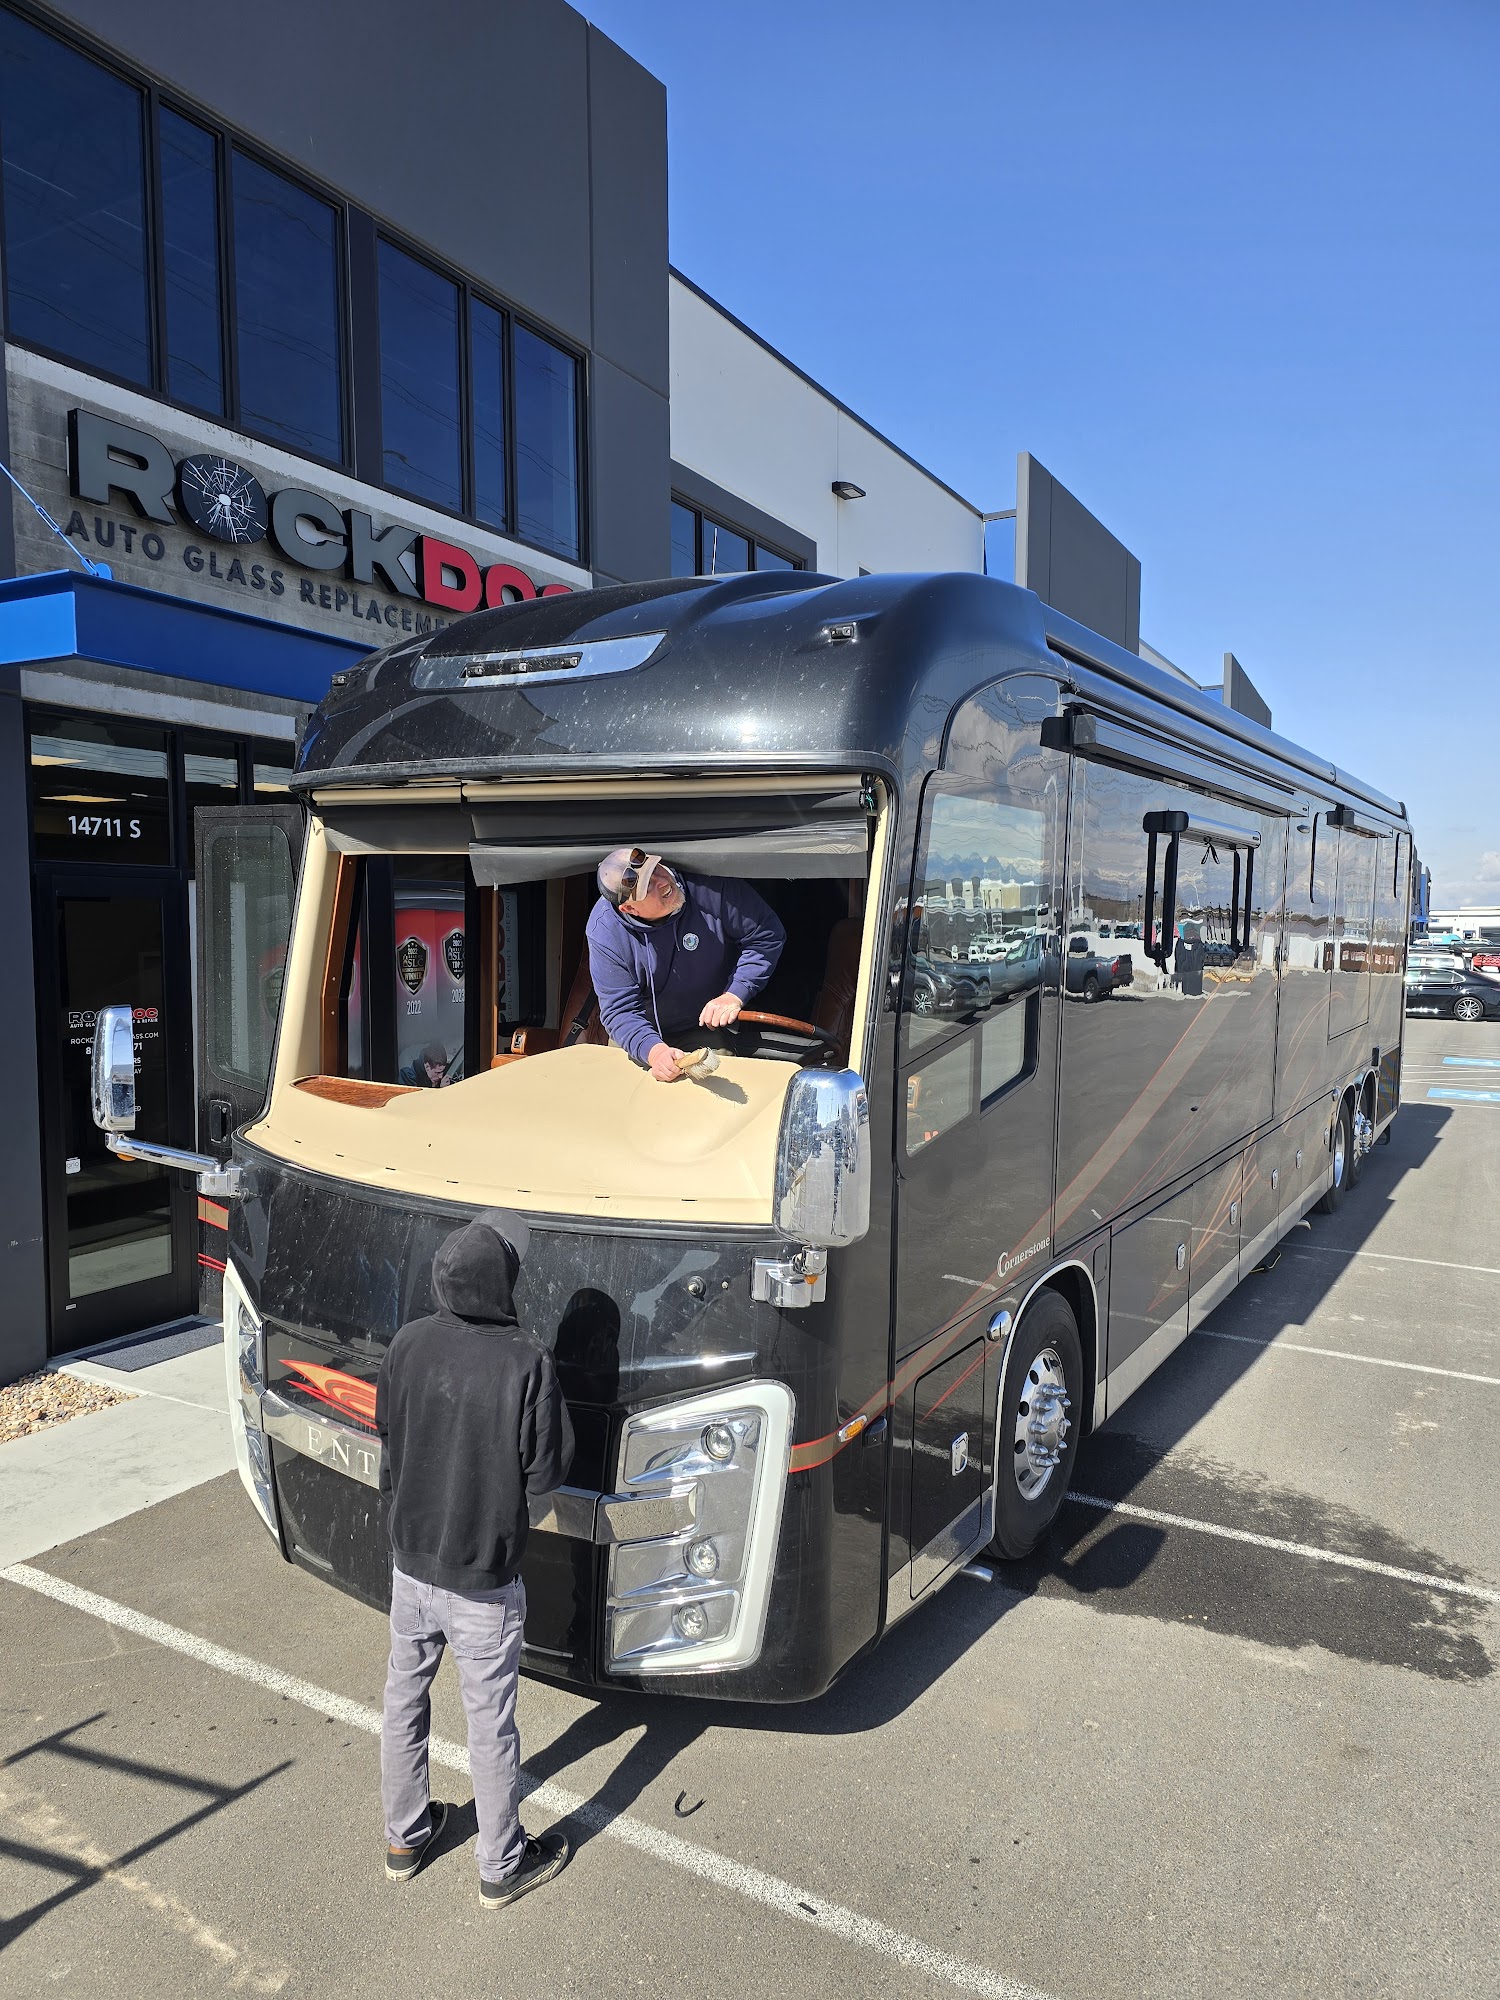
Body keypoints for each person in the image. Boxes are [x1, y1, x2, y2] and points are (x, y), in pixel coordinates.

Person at [375, 1209, 573, 1909]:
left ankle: (404, 1838)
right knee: (489, 1723)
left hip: (410, 1563)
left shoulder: (406, 1342)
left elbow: (388, 1434)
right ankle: (500, 1865)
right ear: (504, 1281)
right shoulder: (527, 1360)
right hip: (483, 1578)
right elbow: (546, 1471)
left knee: (404, 1697)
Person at [586, 847, 786, 1082]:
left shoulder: (712, 887)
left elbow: (766, 934)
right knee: (623, 1089)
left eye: (655, 869)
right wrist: (655, 1052)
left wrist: (735, 993)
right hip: (639, 1032)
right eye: (647, 886)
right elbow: (620, 1011)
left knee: (722, 1079)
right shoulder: (604, 931)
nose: (662, 881)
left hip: (700, 1025)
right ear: (629, 909)